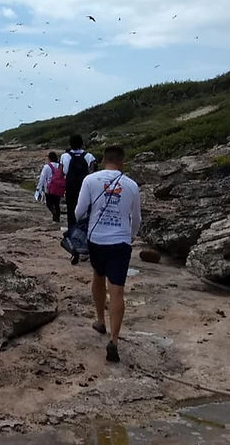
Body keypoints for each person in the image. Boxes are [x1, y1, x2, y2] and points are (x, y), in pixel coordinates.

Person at [74, 145, 141, 363]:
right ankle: (114, 340)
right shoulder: (131, 185)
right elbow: (137, 219)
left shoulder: (90, 180)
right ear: (122, 162)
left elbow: (79, 211)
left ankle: (100, 320)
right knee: (118, 290)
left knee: (98, 276)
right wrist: (130, 237)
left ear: (103, 160)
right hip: (120, 242)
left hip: (97, 240)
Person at [60, 134, 96, 228]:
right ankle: (84, 229)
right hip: (85, 186)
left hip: (70, 187)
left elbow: (61, 173)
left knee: (71, 209)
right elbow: (92, 173)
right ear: (81, 143)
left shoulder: (64, 156)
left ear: (70, 144)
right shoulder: (89, 156)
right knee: (85, 209)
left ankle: (72, 230)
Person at [35, 152, 64, 222]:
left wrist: (38, 188)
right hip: (59, 187)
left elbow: (42, 178)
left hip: (49, 188)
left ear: (49, 158)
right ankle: (57, 219)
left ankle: (54, 215)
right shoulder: (60, 166)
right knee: (57, 203)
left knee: (49, 203)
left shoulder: (47, 167)